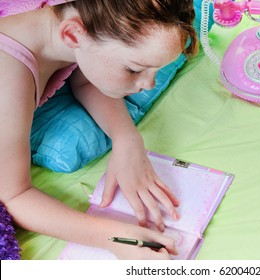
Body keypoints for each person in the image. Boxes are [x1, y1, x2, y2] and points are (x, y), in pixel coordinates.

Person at [0, 0, 198, 259]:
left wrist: (126, 138)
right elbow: (13, 194)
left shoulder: (70, 20)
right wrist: (115, 238)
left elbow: (84, 74)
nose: (148, 85)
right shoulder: (8, 81)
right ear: (72, 34)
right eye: (134, 69)